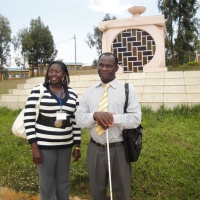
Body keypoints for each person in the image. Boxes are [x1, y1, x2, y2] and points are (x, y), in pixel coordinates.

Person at [75, 52, 142, 200]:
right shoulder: (89, 92)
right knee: (97, 192)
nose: (104, 69)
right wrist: (94, 116)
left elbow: (135, 118)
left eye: (109, 66)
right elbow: (79, 119)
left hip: (119, 149)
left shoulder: (127, 89)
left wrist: (110, 118)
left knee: (122, 192)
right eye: (101, 65)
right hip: (95, 148)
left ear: (116, 68)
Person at [24, 61, 81, 200]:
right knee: (47, 182)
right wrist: (34, 146)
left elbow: (75, 120)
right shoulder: (39, 90)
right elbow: (29, 118)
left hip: (66, 146)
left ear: (64, 74)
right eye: (51, 71)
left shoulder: (72, 94)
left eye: (57, 71)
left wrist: (77, 145)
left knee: (63, 181)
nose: (53, 74)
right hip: (44, 146)